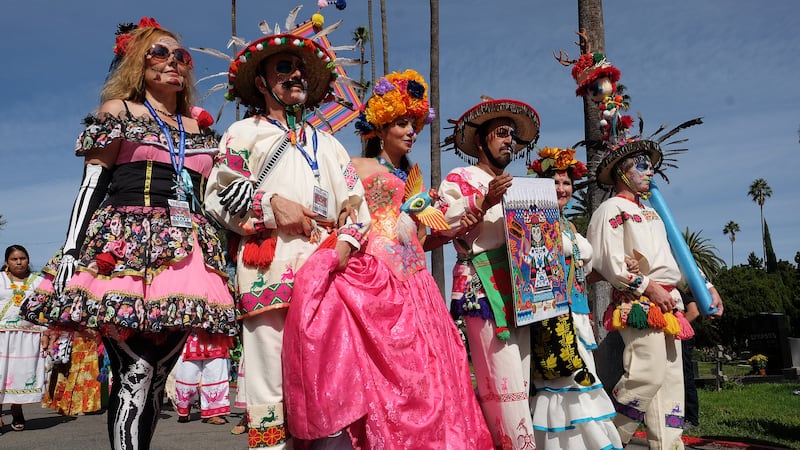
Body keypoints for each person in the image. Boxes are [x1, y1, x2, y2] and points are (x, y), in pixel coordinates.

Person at [21, 17, 236, 449]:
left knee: (156, 379)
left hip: (186, 253)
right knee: (134, 372)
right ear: (138, 61)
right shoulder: (118, 111)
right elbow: (92, 183)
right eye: (160, 53)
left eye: (181, 56)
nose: (173, 62)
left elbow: (211, 197)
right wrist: (69, 251)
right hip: (123, 245)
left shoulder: (198, 128)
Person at [282, 69, 493, 449]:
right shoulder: (358, 167)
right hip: (376, 274)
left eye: (413, 123)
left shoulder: (412, 177)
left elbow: (424, 238)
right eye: (401, 123)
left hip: (417, 280)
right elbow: (340, 207)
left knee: (433, 371)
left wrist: (466, 216)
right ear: (379, 127)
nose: (410, 131)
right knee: (392, 371)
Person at [203, 26, 371, 449]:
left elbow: (357, 204)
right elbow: (219, 195)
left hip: (328, 273)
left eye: (299, 70)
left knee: (329, 380)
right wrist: (272, 206)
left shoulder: (329, 145)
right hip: (268, 270)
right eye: (284, 68)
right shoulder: (244, 134)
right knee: (270, 389)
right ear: (261, 83)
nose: (295, 75)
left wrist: (345, 246)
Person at [586, 138, 724, 449]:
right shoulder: (611, 209)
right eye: (642, 165)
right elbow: (608, 261)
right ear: (623, 171)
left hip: (670, 304)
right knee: (645, 375)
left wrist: (706, 287)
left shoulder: (654, 213)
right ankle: (604, 440)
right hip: (638, 303)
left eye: (651, 166)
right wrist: (648, 286)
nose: (650, 171)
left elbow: (676, 255)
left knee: (671, 385)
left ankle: (669, 444)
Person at [437, 98, 541, 449]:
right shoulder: (461, 178)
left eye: (511, 135)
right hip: (483, 287)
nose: (508, 140)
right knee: (503, 383)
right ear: (480, 141)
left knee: (520, 384)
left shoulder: (521, 185)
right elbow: (439, 221)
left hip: (522, 290)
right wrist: (483, 201)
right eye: (500, 134)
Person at [527, 148, 623, 449]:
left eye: (566, 183)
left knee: (582, 376)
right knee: (566, 378)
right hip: (556, 314)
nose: (562, 189)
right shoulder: (536, 223)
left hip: (579, 311)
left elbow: (586, 271)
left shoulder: (569, 226)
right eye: (554, 182)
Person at [0, 245, 46, 433]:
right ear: (6, 263)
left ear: (28, 260)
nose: (19, 262)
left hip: (29, 336)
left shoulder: (39, 282)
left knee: (20, 375)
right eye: (14, 259)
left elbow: (46, 309)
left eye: (22, 258)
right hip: (2, 335)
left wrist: (46, 332)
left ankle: (17, 409)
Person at [41, 328, 103, 416]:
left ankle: (78, 405)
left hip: (89, 338)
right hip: (71, 337)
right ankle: (70, 404)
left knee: (85, 372)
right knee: (70, 371)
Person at [173, 330, 231, 425]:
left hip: (215, 336)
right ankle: (184, 408)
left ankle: (213, 413)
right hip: (190, 335)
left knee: (214, 376)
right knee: (187, 376)